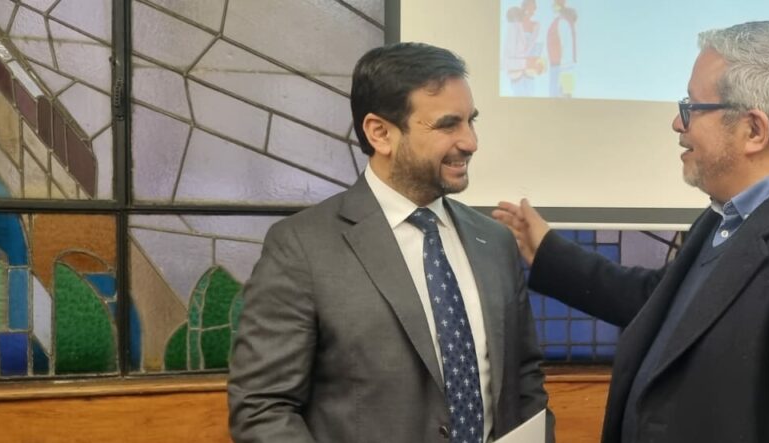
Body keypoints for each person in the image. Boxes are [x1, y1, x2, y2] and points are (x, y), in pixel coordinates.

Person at [494, 21, 769, 442]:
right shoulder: (733, 214)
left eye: (692, 107)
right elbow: (665, 307)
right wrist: (549, 252)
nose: (677, 123)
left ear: (753, 130)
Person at [229, 42, 551, 443]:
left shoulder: (495, 241)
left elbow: (523, 379)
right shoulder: (302, 248)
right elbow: (262, 408)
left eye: (471, 121)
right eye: (448, 125)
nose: (470, 142)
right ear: (380, 133)